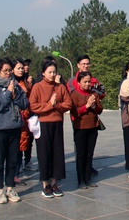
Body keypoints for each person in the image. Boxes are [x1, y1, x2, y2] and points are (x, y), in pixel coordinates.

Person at [29, 60, 73, 198]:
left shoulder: (60, 87)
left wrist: (56, 105)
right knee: (44, 154)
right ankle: (45, 185)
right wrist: (49, 105)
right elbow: (33, 106)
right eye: (49, 72)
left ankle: (54, 183)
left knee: (57, 154)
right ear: (43, 73)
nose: (52, 74)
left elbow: (68, 104)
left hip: (57, 123)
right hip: (43, 124)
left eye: (54, 72)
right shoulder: (37, 87)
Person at [0, 58, 28, 204]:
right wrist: (7, 94)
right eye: (5, 71)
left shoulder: (16, 86)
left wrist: (15, 96)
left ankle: (10, 188)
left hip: (14, 128)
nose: (8, 73)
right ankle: (0, 190)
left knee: (12, 161)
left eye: (10, 70)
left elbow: (25, 103)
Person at [70, 71, 103, 189]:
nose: (88, 84)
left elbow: (100, 109)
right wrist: (86, 106)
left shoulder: (94, 94)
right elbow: (74, 112)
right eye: (85, 82)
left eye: (89, 82)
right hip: (80, 128)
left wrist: (95, 106)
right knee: (81, 155)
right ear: (79, 82)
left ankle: (88, 178)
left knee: (89, 154)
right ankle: (81, 180)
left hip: (93, 127)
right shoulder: (74, 94)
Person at [11, 59, 31, 185]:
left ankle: (17, 173)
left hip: (25, 118)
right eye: (18, 68)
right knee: (14, 147)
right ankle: (12, 173)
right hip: (14, 118)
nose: (21, 70)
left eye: (22, 68)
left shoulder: (26, 82)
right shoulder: (11, 83)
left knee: (22, 146)